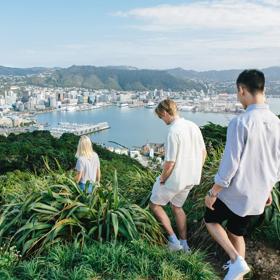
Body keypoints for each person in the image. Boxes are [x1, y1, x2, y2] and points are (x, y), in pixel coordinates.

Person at [204, 69, 280, 280]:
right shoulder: (277, 123)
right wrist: (269, 188)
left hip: (235, 192)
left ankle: (236, 261)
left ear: (242, 90)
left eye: (238, 94)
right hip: (258, 194)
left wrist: (213, 191)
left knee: (210, 218)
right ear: (263, 89)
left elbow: (230, 165)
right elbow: (277, 163)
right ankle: (238, 273)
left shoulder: (240, 122)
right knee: (237, 232)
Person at [150, 99, 207, 252]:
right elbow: (203, 152)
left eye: (161, 117)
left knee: (155, 205)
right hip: (191, 178)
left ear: (164, 112)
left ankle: (173, 241)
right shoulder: (193, 126)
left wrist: (162, 178)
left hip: (175, 179)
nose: (162, 121)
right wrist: (196, 169)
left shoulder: (173, 131)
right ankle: (184, 244)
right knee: (177, 207)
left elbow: (170, 162)